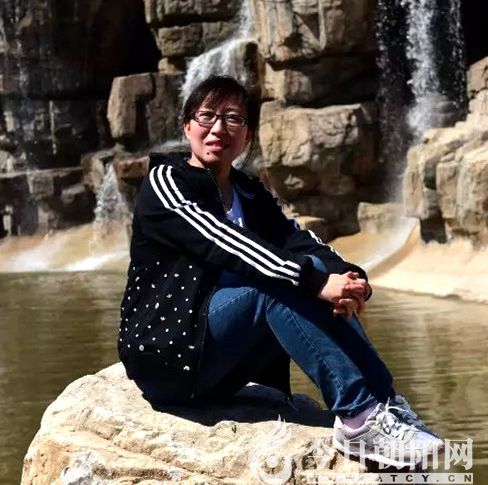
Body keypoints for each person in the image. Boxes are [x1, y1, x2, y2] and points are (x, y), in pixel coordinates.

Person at [118, 75, 443, 467]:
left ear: (248, 135)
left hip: (225, 364)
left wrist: (349, 278)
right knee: (278, 284)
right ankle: (357, 417)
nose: (218, 128)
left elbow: (298, 240)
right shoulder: (166, 180)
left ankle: (386, 403)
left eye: (233, 119)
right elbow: (226, 243)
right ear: (187, 126)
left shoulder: (248, 191)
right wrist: (315, 282)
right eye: (206, 116)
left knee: (310, 268)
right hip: (169, 357)